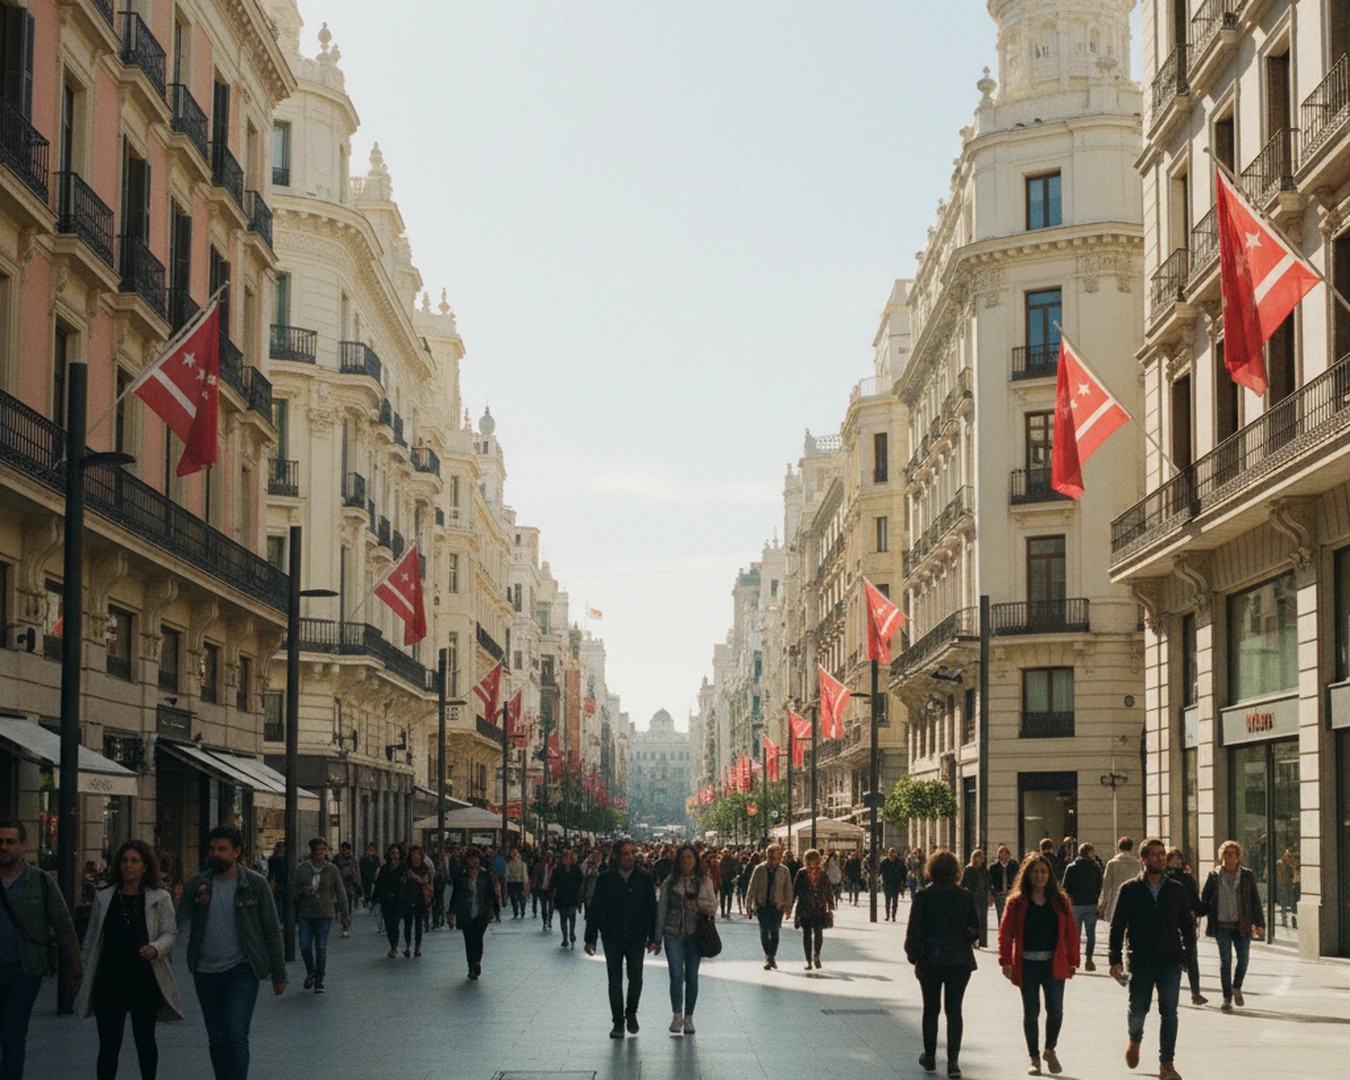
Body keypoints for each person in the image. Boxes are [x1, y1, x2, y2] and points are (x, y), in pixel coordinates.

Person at [179, 825, 287, 1080]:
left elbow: (272, 929)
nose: (215, 854)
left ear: (237, 851)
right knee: (216, 1037)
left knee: (236, 1033)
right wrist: (189, 901)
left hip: (242, 969)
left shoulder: (255, 884)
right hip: (205, 972)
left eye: (222, 849)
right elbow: (178, 920)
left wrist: (279, 973)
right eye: (212, 849)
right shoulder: (197, 884)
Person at [77, 840, 183, 1080]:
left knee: (145, 1040)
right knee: (108, 1044)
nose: (128, 866)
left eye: (135, 861)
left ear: (145, 866)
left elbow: (170, 933)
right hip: (109, 980)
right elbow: (92, 936)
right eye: (124, 861)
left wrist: (155, 948)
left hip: (144, 979)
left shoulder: (159, 897)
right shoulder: (105, 895)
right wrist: (82, 972)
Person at [0, 820, 81, 1080]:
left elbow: (64, 926)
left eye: (10, 842)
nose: (4, 847)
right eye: (0, 842)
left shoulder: (41, 882)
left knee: (13, 1034)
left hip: (24, 970)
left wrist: (76, 971)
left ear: (23, 845)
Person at [1108, 838, 1194, 1080]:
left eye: (1162, 853)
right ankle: (1134, 1040)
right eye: (1155, 854)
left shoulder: (1176, 889)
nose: (1160, 858)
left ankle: (1167, 1063)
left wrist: (1188, 955)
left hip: (1170, 961)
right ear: (1143, 859)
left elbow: (1187, 926)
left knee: (1169, 1012)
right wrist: (1114, 960)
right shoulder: (1129, 889)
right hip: (1141, 961)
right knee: (1138, 1008)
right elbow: (1117, 927)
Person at [998, 852, 1079, 1076]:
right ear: (1027, 875)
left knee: (1056, 1010)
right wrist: (1005, 960)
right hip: (1027, 965)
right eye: (1035, 872)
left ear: (1049, 874)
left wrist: (1074, 959)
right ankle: (1034, 1057)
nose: (1039, 876)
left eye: (1043, 871)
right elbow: (1006, 933)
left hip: (1054, 963)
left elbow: (1071, 931)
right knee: (1031, 1011)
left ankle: (1050, 1049)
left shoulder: (1060, 901)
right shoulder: (1017, 902)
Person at [904, 849, 979, 1079]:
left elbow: (914, 931)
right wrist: (962, 937)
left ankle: (930, 1056)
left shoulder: (922, 897)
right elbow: (975, 929)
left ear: (932, 870)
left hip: (930, 961)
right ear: (956, 870)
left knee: (931, 1009)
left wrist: (914, 956)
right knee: (954, 1010)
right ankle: (953, 1062)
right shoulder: (965, 896)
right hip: (959, 961)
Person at [584, 839, 659, 1038]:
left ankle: (631, 1012)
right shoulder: (605, 878)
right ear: (616, 856)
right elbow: (595, 908)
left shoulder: (644, 878)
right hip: (612, 935)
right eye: (626, 853)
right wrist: (590, 937)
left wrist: (654, 937)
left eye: (633, 852)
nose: (631, 857)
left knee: (636, 977)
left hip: (636, 935)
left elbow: (652, 908)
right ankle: (618, 1022)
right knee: (614, 979)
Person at [655, 843, 715, 1036]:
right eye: (683, 858)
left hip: (695, 933)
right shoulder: (670, 882)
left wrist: (696, 903)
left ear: (695, 860)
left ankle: (689, 1017)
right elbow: (662, 909)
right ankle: (677, 1016)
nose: (686, 861)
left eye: (690, 857)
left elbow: (712, 906)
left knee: (691, 976)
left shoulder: (704, 881)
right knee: (675, 975)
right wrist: (657, 937)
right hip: (673, 932)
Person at [1199, 840, 1264, 1012]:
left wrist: (1259, 923)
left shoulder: (1247, 875)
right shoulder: (1214, 875)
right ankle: (1227, 998)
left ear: (1238, 857)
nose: (1228, 858)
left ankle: (1237, 986)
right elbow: (1205, 898)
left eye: (1232, 854)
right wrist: (1196, 911)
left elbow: (1255, 900)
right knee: (1225, 962)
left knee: (1243, 959)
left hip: (1242, 924)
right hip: (1222, 925)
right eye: (1226, 854)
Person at [290, 838, 349, 992]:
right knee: (305, 946)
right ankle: (311, 971)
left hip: (325, 913)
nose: (320, 853)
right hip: (306, 914)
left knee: (321, 948)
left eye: (323, 850)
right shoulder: (302, 868)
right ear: (312, 852)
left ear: (326, 851)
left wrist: (345, 914)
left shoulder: (332, 869)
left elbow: (340, 892)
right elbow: (293, 890)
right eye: (317, 850)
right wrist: (302, 891)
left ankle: (319, 980)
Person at [448, 847, 499, 979]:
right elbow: (455, 895)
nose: (474, 861)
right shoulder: (461, 876)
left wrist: (496, 910)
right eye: (471, 858)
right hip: (465, 912)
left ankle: (477, 962)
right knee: (469, 940)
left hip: (482, 911)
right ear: (466, 860)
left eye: (476, 858)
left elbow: (491, 893)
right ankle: (471, 967)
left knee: (478, 937)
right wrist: (451, 912)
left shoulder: (485, 875)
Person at [1164, 848, 1207, 1006]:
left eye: (1179, 859)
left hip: (1186, 922)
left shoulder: (1187, 878)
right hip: (1170, 923)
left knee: (1191, 959)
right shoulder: (1163, 877)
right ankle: (1171, 993)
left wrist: (1200, 909)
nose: (1177, 861)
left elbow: (1194, 899)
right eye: (1174, 858)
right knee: (1176, 960)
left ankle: (1196, 993)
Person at [746, 844, 793, 969]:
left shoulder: (784, 870)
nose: (771, 860)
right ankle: (768, 955)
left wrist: (788, 907)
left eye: (774, 857)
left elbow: (788, 889)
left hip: (777, 906)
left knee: (775, 931)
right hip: (762, 905)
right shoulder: (759, 869)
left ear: (779, 857)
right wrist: (748, 903)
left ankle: (771, 956)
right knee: (764, 931)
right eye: (769, 857)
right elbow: (752, 887)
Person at [790, 848, 835, 971]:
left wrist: (830, 906)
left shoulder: (822, 874)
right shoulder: (801, 873)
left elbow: (828, 890)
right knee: (806, 934)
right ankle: (808, 960)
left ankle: (817, 954)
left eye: (815, 860)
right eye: (810, 860)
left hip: (819, 907)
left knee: (818, 932)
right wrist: (790, 906)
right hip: (805, 907)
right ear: (807, 861)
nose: (813, 862)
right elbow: (795, 891)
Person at [1062, 842, 1103, 973]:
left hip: (1075, 905)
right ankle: (1089, 959)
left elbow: (1065, 887)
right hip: (1091, 904)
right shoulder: (1096, 867)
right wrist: (1096, 899)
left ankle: (1073, 961)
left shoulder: (1071, 867)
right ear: (1090, 853)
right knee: (1091, 934)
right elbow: (1099, 885)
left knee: (1075, 935)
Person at [372, 846, 405, 958]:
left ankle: (395, 946)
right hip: (386, 900)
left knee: (395, 922)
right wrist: (375, 898)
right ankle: (392, 944)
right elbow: (379, 884)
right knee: (388, 924)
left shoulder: (403, 868)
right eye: (392, 853)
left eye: (396, 853)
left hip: (398, 900)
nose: (394, 856)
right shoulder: (384, 868)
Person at [1099, 837, 1139, 926]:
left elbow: (1106, 884)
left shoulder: (1112, 863)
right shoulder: (1137, 863)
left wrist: (1102, 902)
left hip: (1116, 899)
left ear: (1119, 847)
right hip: (1134, 899)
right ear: (1131, 848)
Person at [400, 846, 431, 958]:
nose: (416, 856)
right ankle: (408, 946)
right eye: (414, 853)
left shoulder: (424, 867)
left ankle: (418, 947)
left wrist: (413, 876)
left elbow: (425, 881)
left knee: (418, 924)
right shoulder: (406, 866)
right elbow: (402, 881)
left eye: (418, 853)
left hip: (420, 898)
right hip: (407, 897)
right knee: (407, 924)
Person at [551, 848, 585, 948]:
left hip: (572, 897)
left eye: (568, 858)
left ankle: (572, 933)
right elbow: (553, 883)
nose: (566, 860)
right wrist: (552, 892)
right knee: (563, 919)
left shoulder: (576, 869)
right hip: (561, 897)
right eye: (564, 858)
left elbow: (581, 880)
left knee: (572, 917)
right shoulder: (558, 870)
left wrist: (577, 890)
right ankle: (565, 938)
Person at [961, 850, 993, 949]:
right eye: (978, 857)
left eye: (981, 857)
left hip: (982, 897)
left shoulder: (984, 870)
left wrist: (989, 896)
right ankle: (973, 940)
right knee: (974, 919)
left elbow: (988, 884)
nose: (980, 859)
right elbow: (964, 884)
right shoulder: (968, 869)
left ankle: (982, 941)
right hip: (972, 897)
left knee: (983, 919)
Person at [333, 842, 360, 936]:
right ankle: (343, 921)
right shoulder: (336, 859)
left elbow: (356, 872)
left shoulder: (353, 860)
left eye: (345, 850)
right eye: (342, 849)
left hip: (349, 886)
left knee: (347, 906)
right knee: (340, 905)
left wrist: (358, 884)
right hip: (339, 885)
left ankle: (346, 926)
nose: (343, 852)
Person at [990, 845, 1018, 927]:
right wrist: (993, 893)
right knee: (1001, 916)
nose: (1004, 855)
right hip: (999, 895)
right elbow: (991, 881)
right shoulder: (994, 867)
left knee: (1012, 915)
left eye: (1005, 853)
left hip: (1011, 894)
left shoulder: (1014, 865)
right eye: (1001, 853)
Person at [530, 851, 556, 931]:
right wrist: (535, 884)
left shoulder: (554, 867)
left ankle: (549, 921)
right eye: (548, 857)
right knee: (543, 906)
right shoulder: (540, 866)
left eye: (550, 857)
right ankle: (545, 921)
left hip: (551, 889)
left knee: (551, 906)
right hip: (542, 888)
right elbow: (536, 876)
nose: (549, 859)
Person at [880, 847, 906, 921]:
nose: (891, 854)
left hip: (896, 884)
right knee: (887, 901)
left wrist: (904, 882)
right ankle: (887, 915)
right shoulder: (884, 862)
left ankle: (893, 916)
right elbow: (880, 871)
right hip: (887, 884)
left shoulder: (900, 863)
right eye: (890, 853)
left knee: (895, 901)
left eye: (893, 852)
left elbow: (904, 873)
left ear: (896, 854)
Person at [504, 849, 528, 920]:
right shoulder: (522, 864)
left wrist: (507, 879)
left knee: (515, 898)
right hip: (518, 882)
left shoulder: (510, 864)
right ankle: (520, 911)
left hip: (514, 882)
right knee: (519, 898)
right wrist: (525, 882)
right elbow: (524, 874)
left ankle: (517, 912)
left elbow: (506, 874)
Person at [358, 842, 380, 913]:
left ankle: (372, 903)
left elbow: (378, 868)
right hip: (365, 879)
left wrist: (376, 874)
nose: (371, 852)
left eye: (372, 850)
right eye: (370, 850)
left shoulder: (376, 859)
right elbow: (360, 869)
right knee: (366, 891)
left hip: (373, 879)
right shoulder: (363, 859)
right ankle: (366, 902)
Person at [717, 849, 739, 918]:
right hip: (723, 882)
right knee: (722, 898)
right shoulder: (721, 861)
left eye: (726, 852)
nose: (725, 854)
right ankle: (722, 911)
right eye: (724, 853)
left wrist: (733, 878)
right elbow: (718, 871)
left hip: (729, 882)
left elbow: (735, 871)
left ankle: (728, 911)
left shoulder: (732, 861)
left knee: (729, 897)